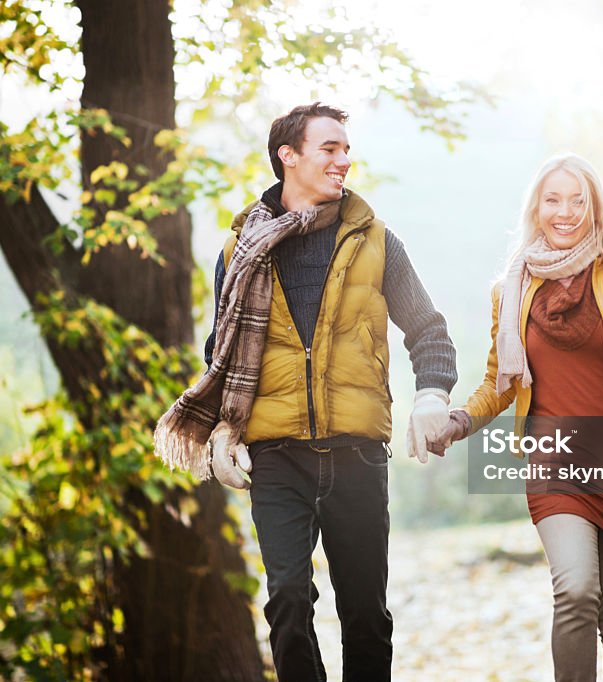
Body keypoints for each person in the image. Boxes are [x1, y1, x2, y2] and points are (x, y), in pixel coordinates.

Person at [153, 102, 457, 682]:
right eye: (330, 148)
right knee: (288, 603)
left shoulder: (375, 242)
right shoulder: (240, 250)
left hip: (357, 453)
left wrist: (432, 395)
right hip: (275, 456)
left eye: (347, 148)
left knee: (365, 614)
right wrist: (222, 432)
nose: (344, 159)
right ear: (287, 157)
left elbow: (428, 331)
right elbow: (223, 348)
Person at [430, 153, 603, 682]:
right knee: (575, 590)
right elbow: (499, 380)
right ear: (536, 208)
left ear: (595, 209)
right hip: (555, 463)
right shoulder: (513, 289)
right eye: (553, 200)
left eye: (577, 200)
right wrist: (460, 420)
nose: (564, 212)